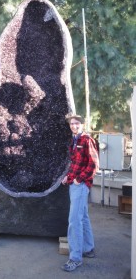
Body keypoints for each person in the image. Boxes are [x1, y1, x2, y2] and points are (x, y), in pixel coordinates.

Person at [61, 114, 99, 272]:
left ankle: (75, 258)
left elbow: (94, 164)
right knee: (82, 216)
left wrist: (79, 179)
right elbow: (75, 163)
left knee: (74, 221)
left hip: (80, 185)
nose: (74, 126)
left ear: (82, 124)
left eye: (76, 123)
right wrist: (68, 177)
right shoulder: (75, 140)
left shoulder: (86, 140)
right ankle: (88, 248)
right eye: (71, 124)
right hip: (74, 183)